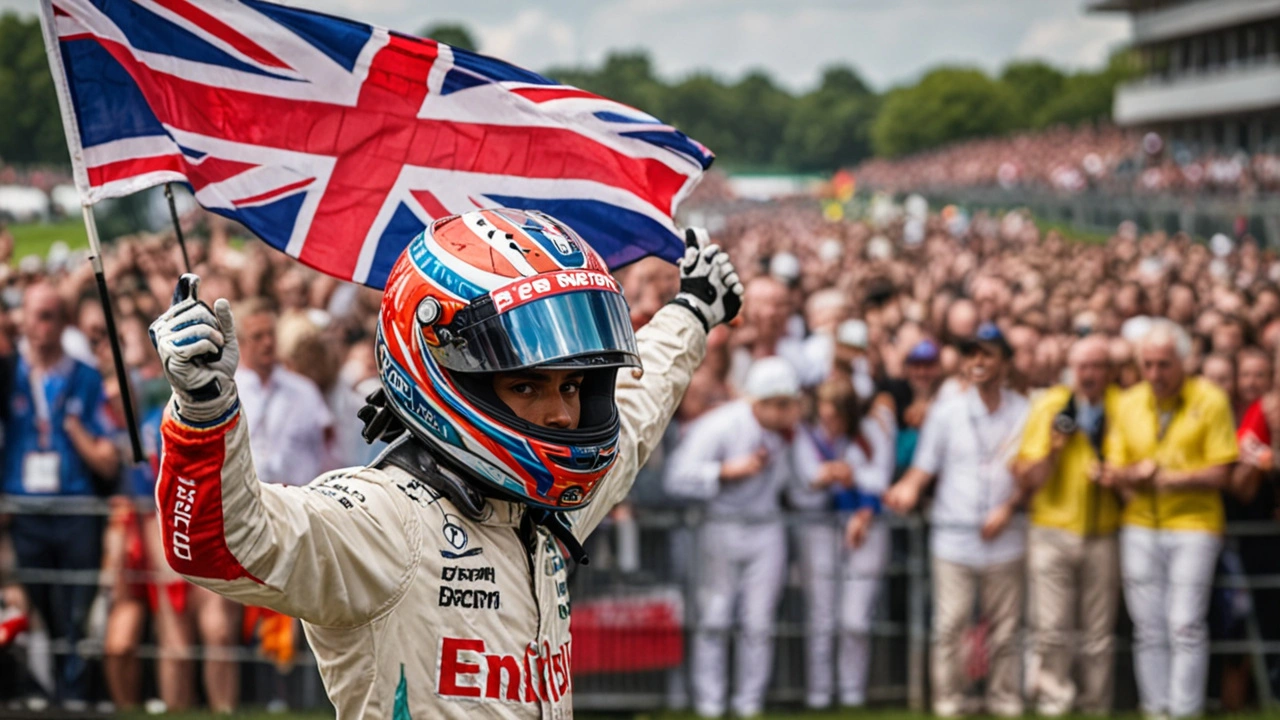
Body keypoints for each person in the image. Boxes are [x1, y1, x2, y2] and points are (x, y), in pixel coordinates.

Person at [149, 209, 743, 719]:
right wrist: (205, 410)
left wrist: (691, 312)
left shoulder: (547, 512)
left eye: (572, 387)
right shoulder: (384, 518)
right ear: (449, 377)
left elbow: (638, 412)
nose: (562, 414)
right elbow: (224, 544)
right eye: (528, 386)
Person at [884, 322, 1030, 717]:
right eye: (971, 354)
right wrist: (907, 489)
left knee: (1005, 630)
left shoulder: (1025, 411)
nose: (978, 362)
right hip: (954, 537)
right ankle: (950, 703)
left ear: (1005, 363)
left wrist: (1010, 506)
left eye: (987, 354)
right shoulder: (947, 412)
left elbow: (1035, 474)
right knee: (950, 627)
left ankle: (1004, 702)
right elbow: (924, 467)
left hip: (1007, 536)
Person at [1104, 319, 1237, 719]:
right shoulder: (1128, 402)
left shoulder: (1210, 399)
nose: (1155, 374)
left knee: (1184, 624)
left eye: (1164, 364)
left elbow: (1222, 470)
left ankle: (1184, 710)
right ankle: (1156, 708)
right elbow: (1114, 467)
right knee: (1148, 627)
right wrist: (1135, 475)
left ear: (1183, 361)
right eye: (1148, 364)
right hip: (1141, 523)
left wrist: (1171, 479)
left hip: (1195, 525)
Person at [2, 282, 119, 707]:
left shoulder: (85, 378)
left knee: (77, 607)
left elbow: (109, 453)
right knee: (39, 604)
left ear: (63, 320)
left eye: (50, 315)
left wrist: (76, 432)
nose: (41, 325)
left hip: (74, 506)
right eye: (34, 314)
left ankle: (73, 694)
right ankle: (52, 690)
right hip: (25, 507)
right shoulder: (8, 372)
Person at [665, 357, 801, 718]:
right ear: (759, 402)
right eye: (782, 404)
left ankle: (748, 704)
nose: (790, 411)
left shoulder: (789, 432)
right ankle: (710, 703)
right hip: (719, 526)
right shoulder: (718, 425)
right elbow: (676, 476)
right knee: (715, 617)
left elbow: (800, 486)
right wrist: (724, 471)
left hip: (767, 527)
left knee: (758, 622)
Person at [1014, 335, 1122, 715]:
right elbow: (1027, 477)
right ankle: (1054, 701)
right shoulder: (1049, 406)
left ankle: (1095, 703)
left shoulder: (1122, 405)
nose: (1089, 375)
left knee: (1098, 631)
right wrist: (1053, 449)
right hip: (1052, 531)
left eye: (1097, 366)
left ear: (1109, 371)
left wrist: (1115, 474)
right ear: (1070, 370)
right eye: (1082, 367)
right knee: (1052, 627)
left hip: (1102, 532)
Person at [793, 379, 897, 709]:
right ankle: (819, 697)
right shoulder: (808, 433)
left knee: (854, 619)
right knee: (822, 616)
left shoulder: (872, 431)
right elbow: (809, 477)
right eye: (824, 417)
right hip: (823, 525)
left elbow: (880, 479)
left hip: (865, 527)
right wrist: (836, 473)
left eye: (835, 418)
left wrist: (851, 478)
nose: (829, 425)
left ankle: (852, 695)